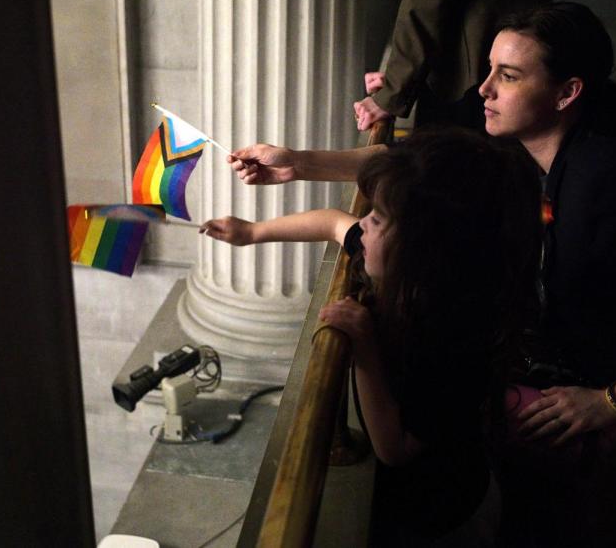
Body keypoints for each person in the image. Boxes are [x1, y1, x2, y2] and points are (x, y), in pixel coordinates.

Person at [202, 129, 541, 545]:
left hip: (446, 519)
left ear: (423, 245)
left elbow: (394, 447)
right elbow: (331, 222)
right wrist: (252, 232)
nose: (362, 223)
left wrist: (363, 344)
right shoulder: (419, 272)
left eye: (377, 218)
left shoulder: (451, 333)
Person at [478, 1, 616, 546]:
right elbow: (429, 163)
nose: (484, 89)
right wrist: (301, 162)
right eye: (490, 69)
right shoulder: (538, 155)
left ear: (566, 94)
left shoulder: (603, 181)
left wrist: (607, 401)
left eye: (508, 76)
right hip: (570, 372)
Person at [354, 0, 551, 132]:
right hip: (478, 68)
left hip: (478, 78)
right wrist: (398, 79)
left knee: (459, 163)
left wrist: (393, 91)